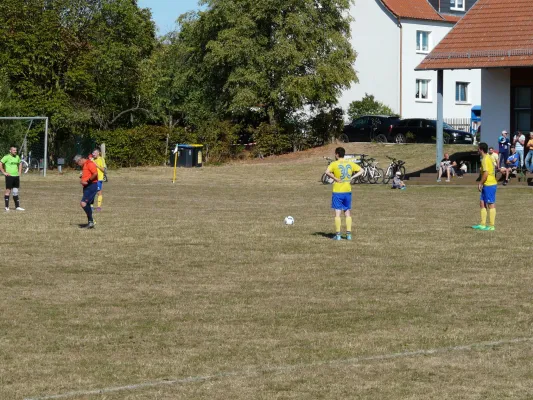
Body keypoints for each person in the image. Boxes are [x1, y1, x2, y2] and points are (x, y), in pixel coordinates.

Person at [324, 147, 364, 241]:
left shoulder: (334, 164)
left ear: (337, 154)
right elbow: (361, 170)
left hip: (338, 191)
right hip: (347, 190)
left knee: (337, 213)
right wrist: (352, 177)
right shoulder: (349, 163)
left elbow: (327, 172)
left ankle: (338, 235)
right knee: (347, 212)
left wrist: (335, 179)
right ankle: (348, 234)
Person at [472, 142, 497, 231]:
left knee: (490, 204)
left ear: (481, 149)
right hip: (487, 184)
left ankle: (491, 226)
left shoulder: (485, 159)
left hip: (489, 184)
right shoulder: (488, 157)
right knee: (482, 203)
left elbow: (486, 173)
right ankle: (482, 224)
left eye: (478, 148)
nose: (477, 150)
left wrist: (480, 183)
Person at [74, 154, 98, 229]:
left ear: (80, 160)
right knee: (86, 204)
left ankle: (91, 221)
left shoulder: (89, 163)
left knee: (83, 203)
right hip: (87, 187)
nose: (78, 165)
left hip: (91, 186)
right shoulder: (85, 165)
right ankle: (90, 222)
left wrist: (88, 181)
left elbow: (95, 173)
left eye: (77, 163)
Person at [0, 146, 24, 211]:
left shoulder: (17, 157)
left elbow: (20, 163)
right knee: (8, 191)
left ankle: (17, 207)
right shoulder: (6, 157)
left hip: (16, 176)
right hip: (9, 176)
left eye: (16, 150)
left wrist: (19, 172)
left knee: (15, 192)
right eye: (13, 150)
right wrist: (4, 172)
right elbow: (1, 163)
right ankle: (6, 207)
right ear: (10, 151)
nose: (15, 151)